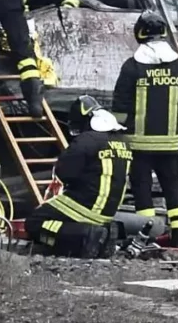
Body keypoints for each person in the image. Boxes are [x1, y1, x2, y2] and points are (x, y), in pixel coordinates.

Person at [111, 9, 178, 247]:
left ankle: (146, 238)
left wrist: (115, 134)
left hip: (138, 145)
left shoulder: (132, 67)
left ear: (140, 34)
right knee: (173, 188)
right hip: (170, 145)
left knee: (142, 189)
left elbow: (120, 107)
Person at [29, 97, 129, 257]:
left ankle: (87, 236)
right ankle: (103, 236)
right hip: (108, 212)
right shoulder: (122, 141)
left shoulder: (86, 140)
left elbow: (65, 173)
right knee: (60, 221)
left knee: (35, 222)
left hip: (84, 205)